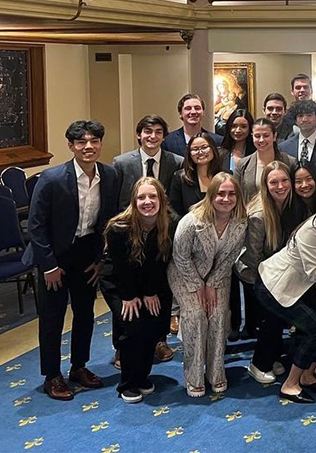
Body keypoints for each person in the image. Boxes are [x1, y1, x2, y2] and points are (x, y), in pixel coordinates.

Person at [26, 120, 119, 401]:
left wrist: (99, 259)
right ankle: (52, 375)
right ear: (71, 146)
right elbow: (36, 226)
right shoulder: (52, 178)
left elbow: (107, 221)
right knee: (52, 318)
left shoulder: (111, 175)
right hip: (53, 255)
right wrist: (49, 266)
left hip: (85, 255)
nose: (88, 147)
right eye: (81, 142)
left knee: (85, 314)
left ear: (101, 144)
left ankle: (79, 366)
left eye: (94, 141)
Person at [255, 183, 316, 403]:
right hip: (273, 286)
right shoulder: (312, 229)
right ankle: (290, 384)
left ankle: (308, 376)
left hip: (295, 286)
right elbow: (314, 273)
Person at [168, 172, 248, 397]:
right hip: (185, 274)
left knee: (219, 313)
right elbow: (180, 257)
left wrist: (212, 283)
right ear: (211, 195)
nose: (226, 199)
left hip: (218, 276)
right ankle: (193, 376)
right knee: (195, 316)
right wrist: (197, 285)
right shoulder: (192, 221)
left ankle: (216, 372)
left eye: (231, 194)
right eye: (221, 193)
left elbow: (230, 256)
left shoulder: (241, 221)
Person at [103, 177, 174, 403]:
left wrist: (150, 292)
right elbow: (121, 268)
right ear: (133, 201)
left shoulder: (169, 223)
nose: (147, 202)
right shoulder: (118, 228)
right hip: (120, 285)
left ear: (161, 200)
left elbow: (160, 264)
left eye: (152, 196)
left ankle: (142, 377)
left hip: (153, 284)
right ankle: (128, 383)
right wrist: (131, 296)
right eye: (141, 197)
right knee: (132, 328)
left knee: (154, 327)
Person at [239, 161, 309, 385]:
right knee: (275, 311)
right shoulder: (258, 214)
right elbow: (252, 258)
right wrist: (278, 284)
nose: (280, 186)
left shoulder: (295, 206)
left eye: (284, 180)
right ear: (265, 185)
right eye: (274, 182)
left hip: (283, 273)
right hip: (256, 274)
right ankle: (259, 363)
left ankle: (282, 353)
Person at [113, 114, 183, 210]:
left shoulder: (177, 163)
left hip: (166, 221)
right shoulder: (122, 163)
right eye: (148, 131)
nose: (153, 136)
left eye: (158, 132)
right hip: (131, 221)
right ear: (138, 135)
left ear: (163, 137)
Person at [234, 119, 295, 203]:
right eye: (257, 136)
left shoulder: (290, 162)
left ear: (274, 136)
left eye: (266, 135)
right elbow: (237, 195)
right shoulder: (242, 165)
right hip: (252, 214)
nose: (261, 140)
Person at [169, 133, 223, 219]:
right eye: (195, 149)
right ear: (190, 154)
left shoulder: (225, 176)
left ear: (213, 149)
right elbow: (175, 211)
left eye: (204, 147)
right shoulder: (180, 178)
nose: (200, 152)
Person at [278, 100, 316, 168]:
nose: (305, 119)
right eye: (300, 116)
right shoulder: (283, 147)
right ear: (295, 121)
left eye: (309, 115)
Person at [219, 109, 256, 173]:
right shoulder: (220, 153)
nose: (238, 130)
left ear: (250, 129)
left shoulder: (256, 154)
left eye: (243, 126)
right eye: (234, 126)